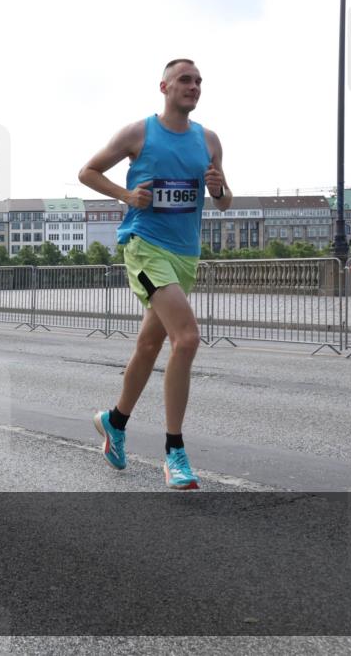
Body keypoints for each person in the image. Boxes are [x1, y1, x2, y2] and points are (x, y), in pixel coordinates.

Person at [78, 59, 232, 490]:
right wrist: (127, 194)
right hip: (145, 247)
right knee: (187, 338)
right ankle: (175, 451)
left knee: (149, 344)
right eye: (186, 79)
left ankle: (115, 421)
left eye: (199, 81)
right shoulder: (139, 133)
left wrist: (218, 187)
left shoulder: (209, 140)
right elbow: (87, 172)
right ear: (164, 86)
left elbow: (223, 202)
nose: (194, 86)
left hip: (186, 255)